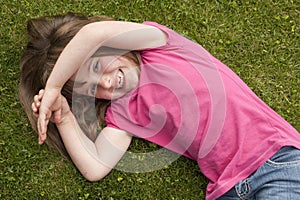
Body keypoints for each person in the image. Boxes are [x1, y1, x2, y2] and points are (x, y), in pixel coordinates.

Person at [19, 13, 300, 200]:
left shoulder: (159, 46)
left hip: (275, 162)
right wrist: (65, 116)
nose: (105, 81)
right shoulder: (124, 113)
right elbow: (95, 167)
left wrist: (54, 85)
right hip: (226, 188)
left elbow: (93, 34)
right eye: (91, 89)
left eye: (96, 65)